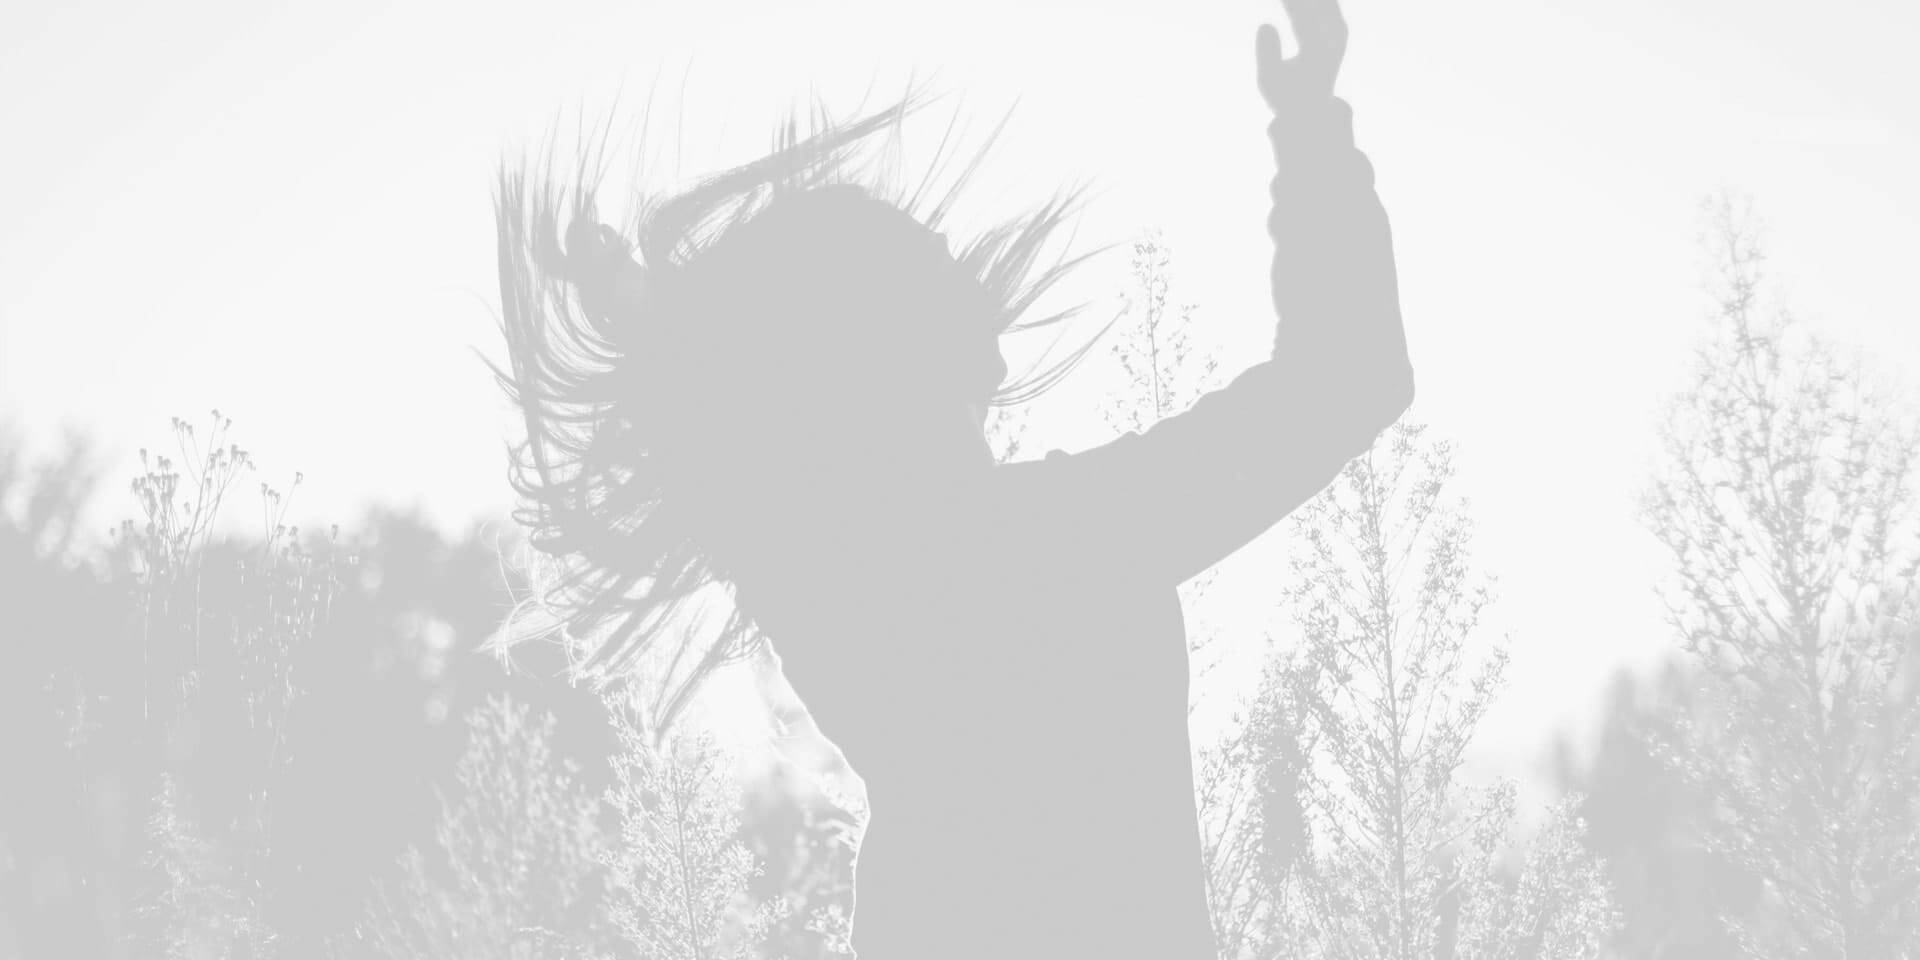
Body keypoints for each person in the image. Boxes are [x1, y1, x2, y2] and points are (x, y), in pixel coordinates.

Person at [491, 0, 1411, 955]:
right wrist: (1312, 130)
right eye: (930, 261)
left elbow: (747, 428)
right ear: (887, 347)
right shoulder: (1066, 538)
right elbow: (1351, 376)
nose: (962, 268)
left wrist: (662, 319)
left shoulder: (823, 579)